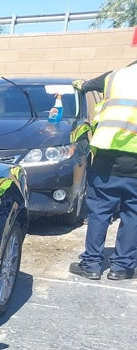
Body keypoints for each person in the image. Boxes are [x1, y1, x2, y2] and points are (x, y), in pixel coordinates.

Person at [69, 61, 137, 281]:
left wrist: (79, 84)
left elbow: (87, 85)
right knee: (133, 214)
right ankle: (121, 268)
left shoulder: (115, 76)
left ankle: (91, 264)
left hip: (106, 157)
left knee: (99, 212)